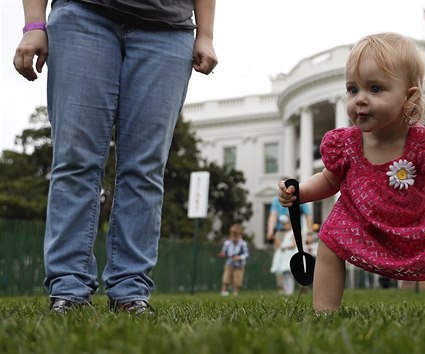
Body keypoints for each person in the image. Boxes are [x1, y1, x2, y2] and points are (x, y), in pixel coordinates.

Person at [14, 0, 218, 314]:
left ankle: (130, 291)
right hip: (82, 15)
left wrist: (206, 34)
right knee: (75, 161)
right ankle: (68, 289)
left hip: (168, 29)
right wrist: (33, 25)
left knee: (145, 168)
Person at [277, 33, 425, 312]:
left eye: (375, 89)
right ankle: (324, 312)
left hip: (418, 224)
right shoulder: (345, 143)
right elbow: (329, 180)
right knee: (330, 240)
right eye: (353, 89)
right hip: (360, 222)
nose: (360, 99)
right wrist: (300, 192)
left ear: (409, 97)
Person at [266, 192, 314, 293]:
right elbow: (273, 216)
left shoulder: (300, 198)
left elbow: (308, 215)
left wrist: (309, 233)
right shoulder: (277, 200)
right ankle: (282, 288)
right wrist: (270, 231)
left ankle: (303, 284)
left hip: (296, 232)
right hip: (281, 233)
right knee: (281, 260)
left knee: (299, 258)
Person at [269, 215, 298, 295]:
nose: (284, 226)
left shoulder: (292, 233)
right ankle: (286, 291)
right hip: (284, 256)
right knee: (285, 274)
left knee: (289, 275)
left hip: (289, 255)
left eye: (286, 224)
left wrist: (284, 247)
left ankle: (290, 292)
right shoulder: (287, 233)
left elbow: (293, 244)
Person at [219, 224, 249, 296]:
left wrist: (239, 257)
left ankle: (235, 292)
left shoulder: (243, 244)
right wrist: (223, 254)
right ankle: (224, 291)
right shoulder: (227, 243)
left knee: (237, 279)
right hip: (229, 263)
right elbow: (224, 252)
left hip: (239, 265)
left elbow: (246, 254)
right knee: (226, 278)